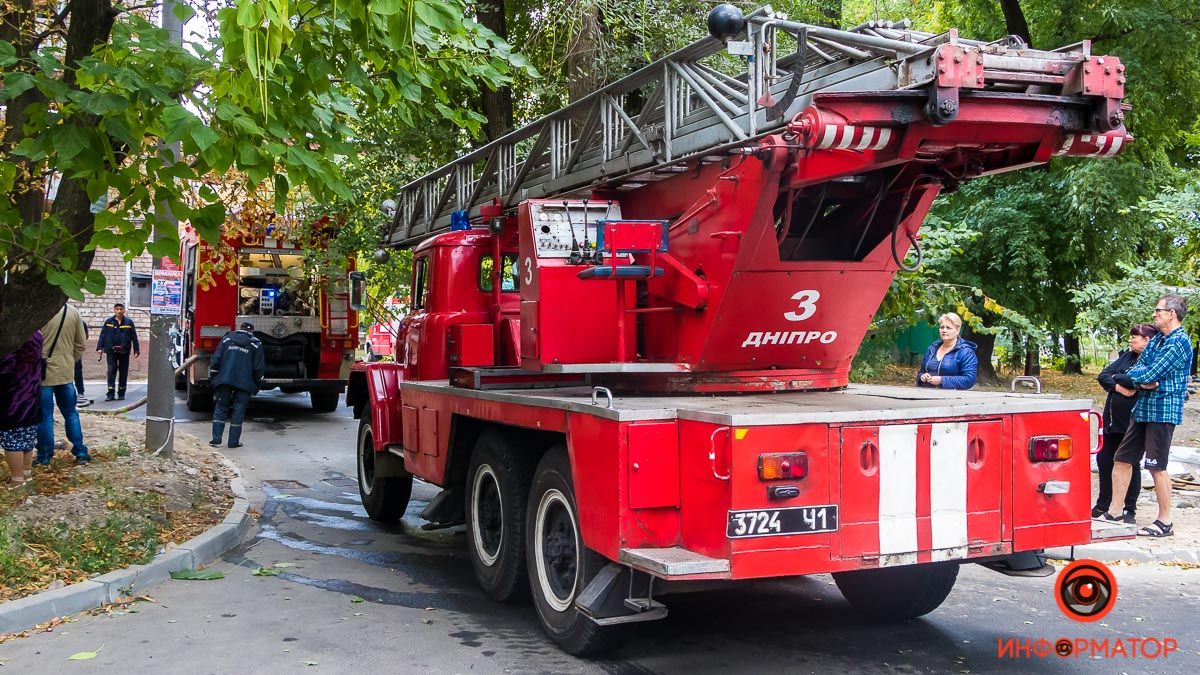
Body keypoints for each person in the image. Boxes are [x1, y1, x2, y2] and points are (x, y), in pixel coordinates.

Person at [1108, 294, 1193, 537]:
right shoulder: (1157, 341)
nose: (1154, 314)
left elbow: (1152, 372)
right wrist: (1143, 381)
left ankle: (1165, 521)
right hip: (1143, 408)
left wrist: (1143, 379)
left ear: (1171, 314)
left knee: (1157, 466)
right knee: (1122, 459)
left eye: (1158, 310)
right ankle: (1115, 513)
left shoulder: (1179, 342)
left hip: (1163, 411)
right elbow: (1137, 370)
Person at [1092, 324, 1157, 522]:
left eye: (1135, 337)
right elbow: (1104, 375)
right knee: (1104, 460)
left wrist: (1119, 379)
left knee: (1129, 462)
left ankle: (1129, 508)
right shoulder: (1127, 356)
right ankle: (1104, 503)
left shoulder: (1150, 359)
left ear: (1147, 340)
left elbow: (1138, 380)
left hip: (1131, 420)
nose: (1131, 340)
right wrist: (1119, 387)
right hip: (1112, 420)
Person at [36, 304, 90, 465]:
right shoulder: (73, 312)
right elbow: (81, 344)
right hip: (66, 373)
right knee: (71, 413)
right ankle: (80, 452)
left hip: (42, 374)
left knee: (44, 416)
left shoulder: (39, 311)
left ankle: (44, 456)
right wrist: (69, 361)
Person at [209, 321, 266, 449]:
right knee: (238, 410)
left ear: (240, 329)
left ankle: (216, 439)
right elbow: (258, 368)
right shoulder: (255, 344)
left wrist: (213, 378)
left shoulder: (227, 339)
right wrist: (258, 383)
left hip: (225, 380)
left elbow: (216, 360)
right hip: (244, 383)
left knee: (221, 407)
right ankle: (233, 442)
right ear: (251, 331)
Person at [1, 332, 43, 487]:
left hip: (13, 396)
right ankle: (26, 474)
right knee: (27, 436)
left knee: (12, 439)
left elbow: (6, 367)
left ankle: (16, 480)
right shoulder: (36, 332)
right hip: (32, 390)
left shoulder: (14, 336)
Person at [916, 312, 979, 390]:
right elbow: (921, 372)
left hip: (952, 398)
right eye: (942, 327)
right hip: (926, 395)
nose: (944, 330)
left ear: (958, 330)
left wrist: (942, 380)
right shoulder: (932, 349)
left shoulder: (966, 352)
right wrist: (922, 377)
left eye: (948, 328)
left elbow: (969, 380)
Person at [97, 302, 140, 401]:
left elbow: (134, 337)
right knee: (111, 371)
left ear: (124, 310)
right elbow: (102, 335)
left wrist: (136, 350)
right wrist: (100, 347)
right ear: (114, 310)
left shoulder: (129, 322)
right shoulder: (109, 322)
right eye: (117, 309)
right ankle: (110, 393)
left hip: (124, 351)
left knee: (123, 372)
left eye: (121, 309)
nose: (119, 311)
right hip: (111, 351)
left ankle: (121, 392)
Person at [75, 316, 92, 408]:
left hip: (68, 350)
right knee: (77, 372)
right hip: (74, 351)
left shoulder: (81, 322)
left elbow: (85, 336)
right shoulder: (80, 321)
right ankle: (80, 392)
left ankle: (80, 392)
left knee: (76, 372)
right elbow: (85, 337)